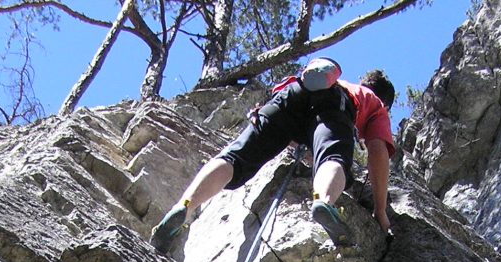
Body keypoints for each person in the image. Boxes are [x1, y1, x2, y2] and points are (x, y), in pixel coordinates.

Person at [151, 60, 396, 252]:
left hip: (291, 94)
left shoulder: (335, 80)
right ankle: (324, 202)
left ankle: (185, 206)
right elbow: (378, 151)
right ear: (385, 102)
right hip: (334, 106)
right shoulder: (374, 103)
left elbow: (291, 133)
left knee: (236, 157)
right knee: (334, 156)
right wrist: (380, 209)